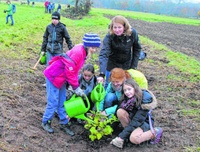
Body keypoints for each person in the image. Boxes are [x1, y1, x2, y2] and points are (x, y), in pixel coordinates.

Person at [41, 33, 101, 136]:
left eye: (95, 48)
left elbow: (73, 71)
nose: (94, 50)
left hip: (62, 78)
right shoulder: (79, 52)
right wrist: (76, 88)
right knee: (53, 101)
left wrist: (73, 85)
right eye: (93, 47)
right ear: (87, 45)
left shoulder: (83, 51)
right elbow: (70, 71)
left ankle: (64, 123)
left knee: (62, 101)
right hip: (54, 75)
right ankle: (46, 121)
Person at [110, 79, 163, 148]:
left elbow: (138, 120)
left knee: (134, 139)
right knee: (120, 112)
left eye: (129, 89)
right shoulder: (125, 99)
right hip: (133, 120)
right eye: (125, 90)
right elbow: (116, 115)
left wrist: (121, 137)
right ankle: (128, 133)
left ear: (135, 88)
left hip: (143, 123)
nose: (127, 92)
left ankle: (156, 132)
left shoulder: (144, 100)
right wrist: (110, 129)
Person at [98, 15, 143, 89]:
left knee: (126, 86)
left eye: (119, 27)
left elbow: (137, 49)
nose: (117, 30)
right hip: (112, 64)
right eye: (115, 27)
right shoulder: (109, 37)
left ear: (124, 27)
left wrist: (133, 67)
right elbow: (104, 54)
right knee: (108, 85)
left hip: (126, 64)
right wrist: (102, 74)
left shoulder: (132, 34)